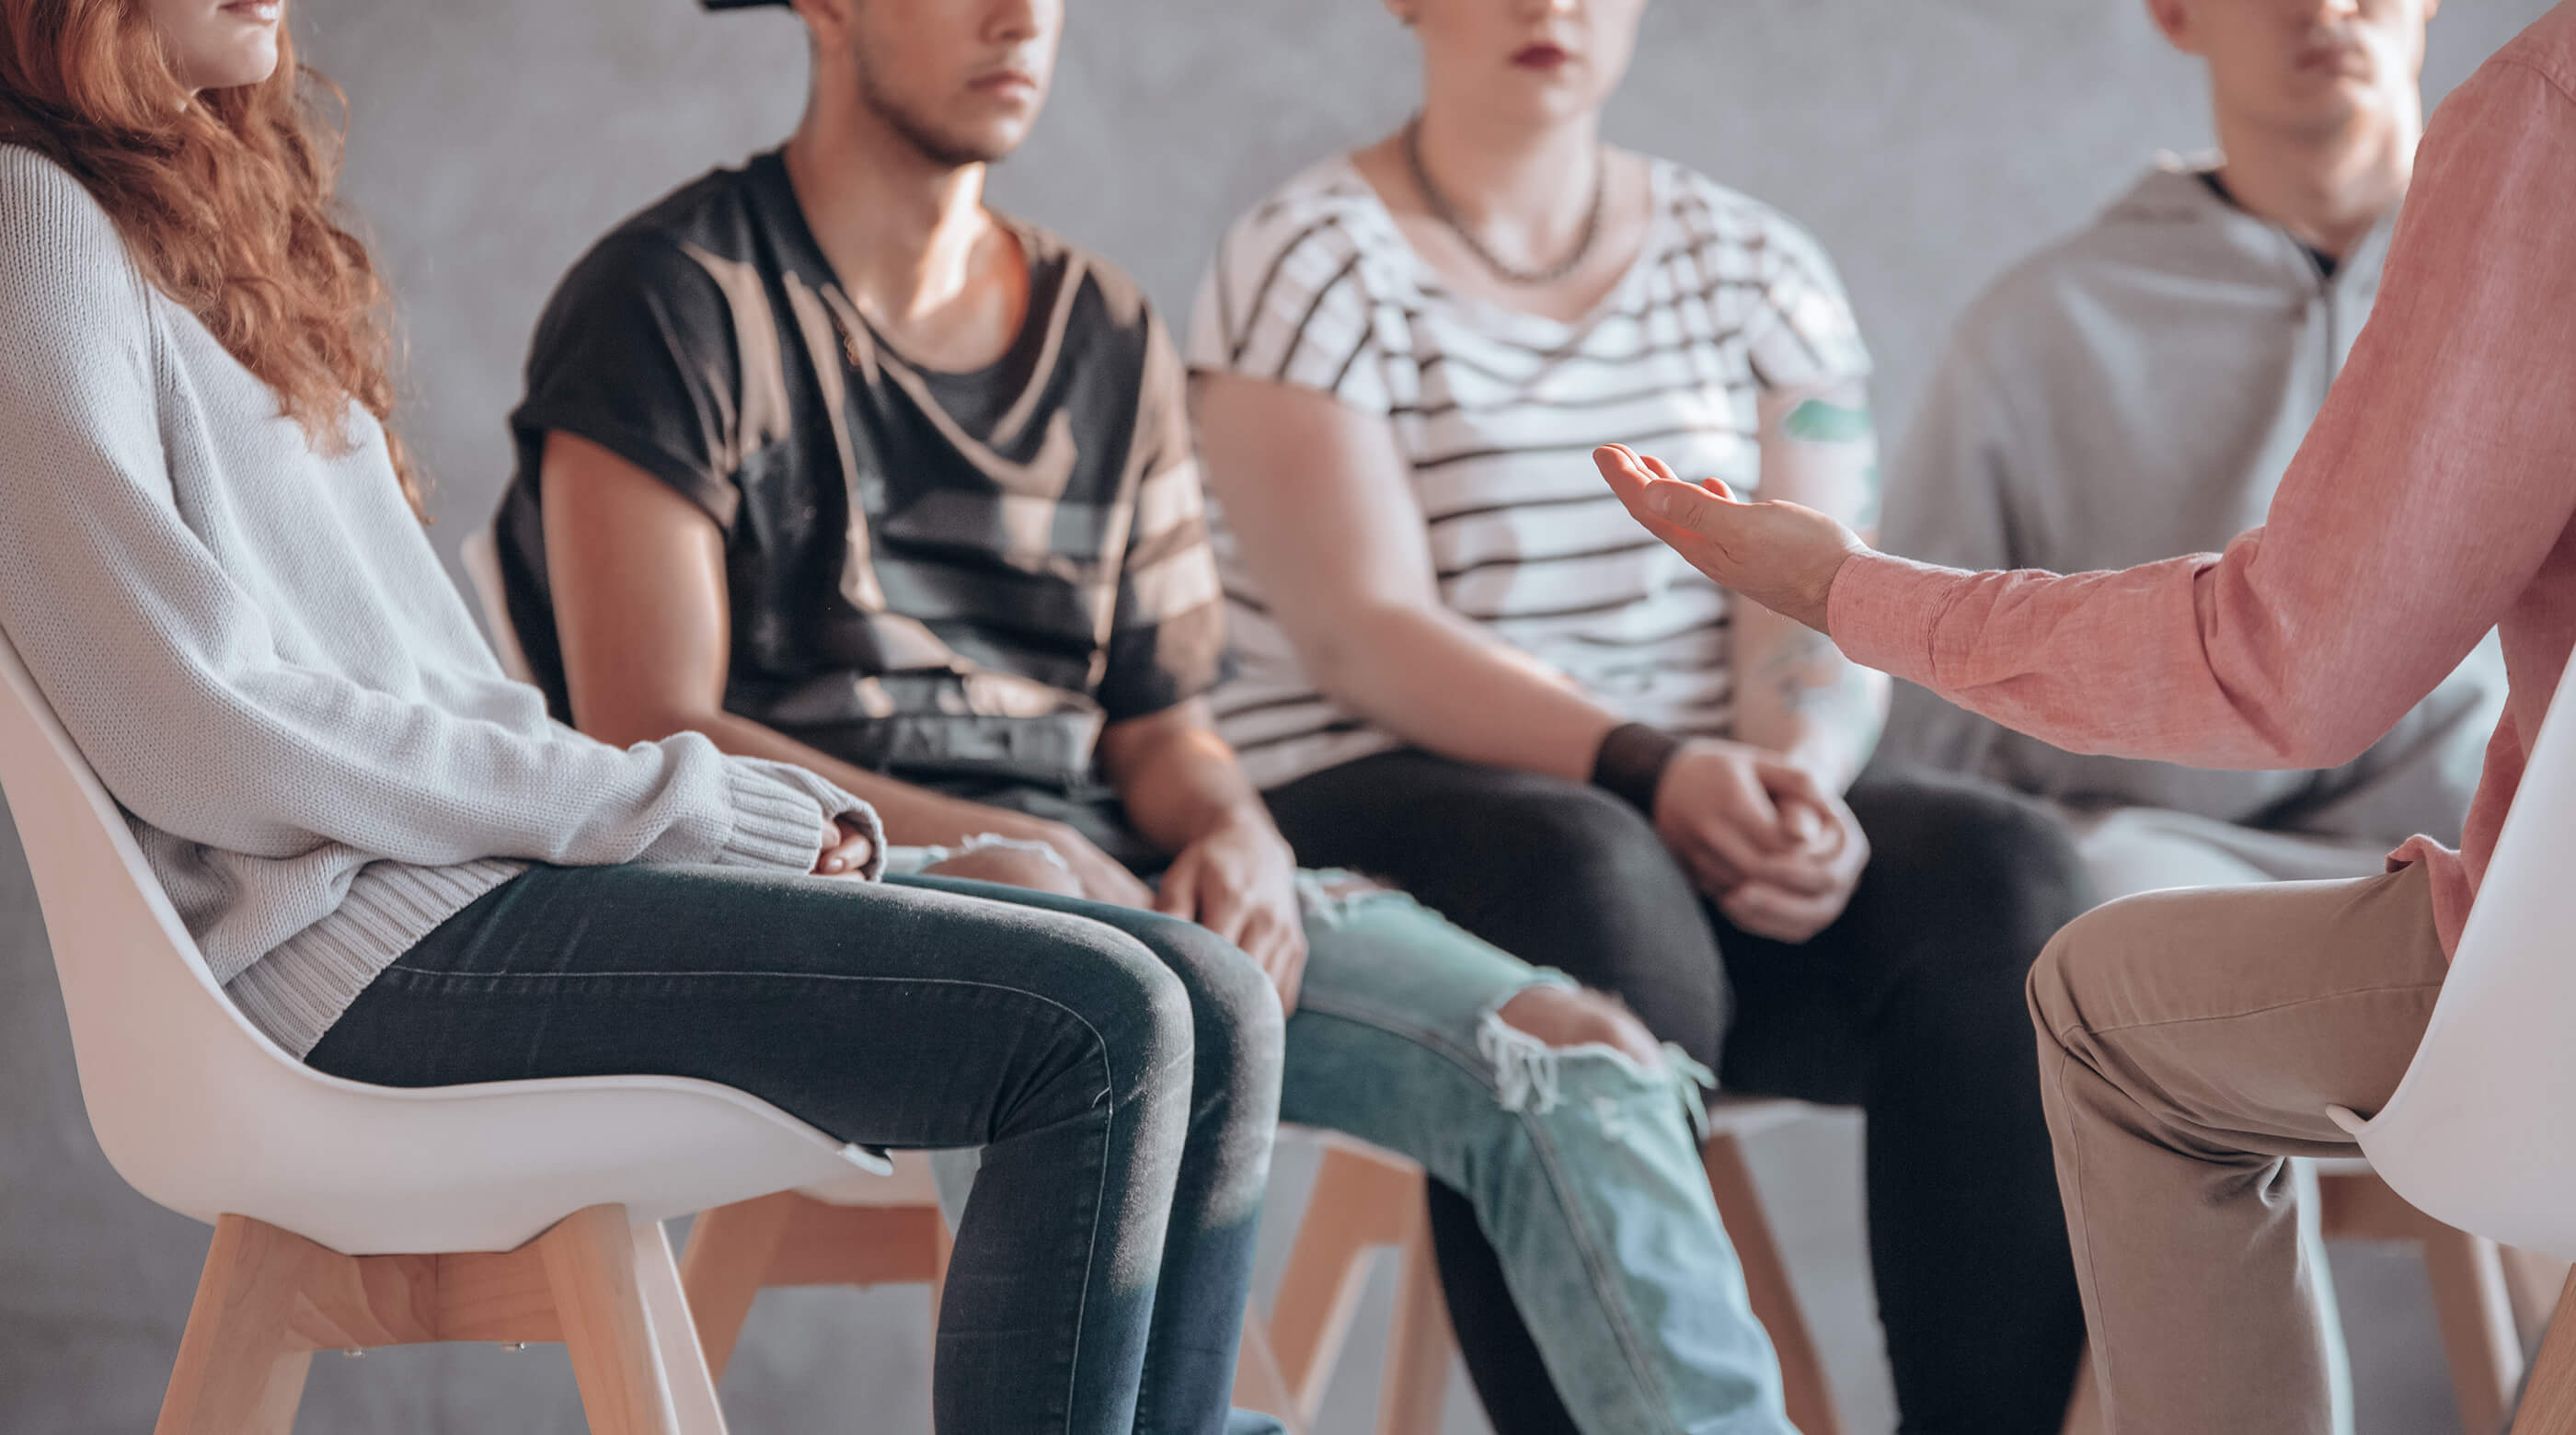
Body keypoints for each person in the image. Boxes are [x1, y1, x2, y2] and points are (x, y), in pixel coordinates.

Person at [490, 0, 1802, 1430]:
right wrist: (1002, 843)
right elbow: (648, 727)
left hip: (1120, 881)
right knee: (1079, 950)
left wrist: (1233, 828)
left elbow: (1160, 725)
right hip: (832, 884)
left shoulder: (1102, 323)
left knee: (1582, 1059)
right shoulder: (671, 298)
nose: (1019, 22)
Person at [0, 4, 1292, 1432]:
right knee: (1095, 1024)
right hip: (347, 951)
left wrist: (823, 854)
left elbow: (438, 699)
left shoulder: (197, 217)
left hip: (472, 898)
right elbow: (208, 730)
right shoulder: (33, 224)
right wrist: (702, 811)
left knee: (1212, 998)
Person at [1594, 5, 2576, 1429]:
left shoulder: (2542, 119)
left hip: (2521, 944)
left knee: (2107, 1010)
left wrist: (1842, 589)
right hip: (2226, 845)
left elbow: (2286, 668)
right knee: (2072, 893)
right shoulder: (2045, 325)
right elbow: (1949, 756)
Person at [1186, 1, 2094, 1430]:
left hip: (1699, 811)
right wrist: (1649, 768)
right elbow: (1362, 635)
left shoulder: (1754, 265)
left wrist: (1796, 780)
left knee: (2010, 876)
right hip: (1391, 800)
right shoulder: (1305, 260)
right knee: (1589, 875)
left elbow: (1820, 592)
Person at [1880, 0, 2501, 901]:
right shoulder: (2040, 327)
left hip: (2501, 839)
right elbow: (1924, 690)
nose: (2326, 7)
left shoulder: (2534, 287)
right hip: (2158, 853)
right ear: (2175, 14)